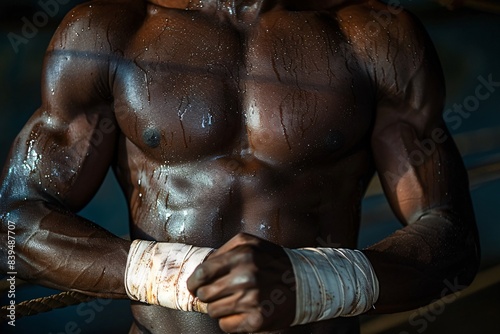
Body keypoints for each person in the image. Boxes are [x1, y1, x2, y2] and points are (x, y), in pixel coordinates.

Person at [0, 0, 480, 333]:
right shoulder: (107, 33)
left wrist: (313, 281)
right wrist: (180, 274)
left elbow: (451, 236)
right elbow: (13, 229)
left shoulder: (375, 36)